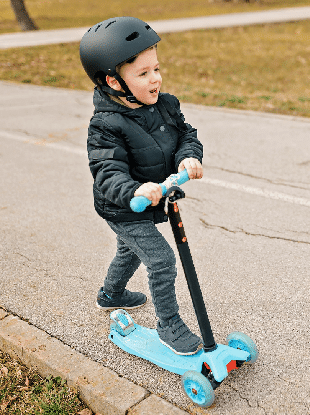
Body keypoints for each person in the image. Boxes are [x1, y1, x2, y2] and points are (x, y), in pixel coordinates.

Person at [80, 16, 204, 355]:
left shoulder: (165, 104)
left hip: (151, 199)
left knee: (128, 251)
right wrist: (135, 190)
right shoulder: (105, 126)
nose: (156, 79)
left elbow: (185, 135)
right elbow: (107, 172)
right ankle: (169, 325)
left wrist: (187, 158)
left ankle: (111, 294)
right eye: (143, 73)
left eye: (157, 69)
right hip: (123, 206)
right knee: (160, 259)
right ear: (114, 82)